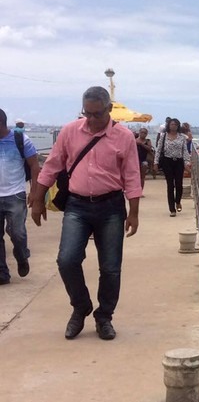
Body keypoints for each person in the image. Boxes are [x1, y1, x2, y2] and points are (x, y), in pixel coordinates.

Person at [30, 86, 141, 340]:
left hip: (111, 207)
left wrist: (133, 213)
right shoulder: (70, 132)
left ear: (109, 110)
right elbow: (52, 166)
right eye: (86, 113)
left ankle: (104, 317)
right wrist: (37, 198)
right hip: (77, 206)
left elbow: (133, 176)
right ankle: (80, 307)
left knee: (111, 267)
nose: (90, 119)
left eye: (96, 114)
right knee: (67, 260)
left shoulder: (124, 137)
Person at [0, 109, 40, 285]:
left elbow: (34, 166)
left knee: (17, 233)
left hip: (15, 194)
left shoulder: (20, 140)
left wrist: (34, 192)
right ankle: (2, 273)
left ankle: (22, 255)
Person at [153, 118, 190, 216]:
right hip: (167, 161)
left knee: (179, 184)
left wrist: (187, 163)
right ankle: (172, 209)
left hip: (178, 161)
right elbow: (158, 150)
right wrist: (156, 163)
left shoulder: (182, 137)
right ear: (168, 125)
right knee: (170, 185)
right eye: (172, 124)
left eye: (175, 124)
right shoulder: (163, 136)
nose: (173, 126)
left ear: (178, 126)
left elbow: (185, 151)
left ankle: (177, 201)